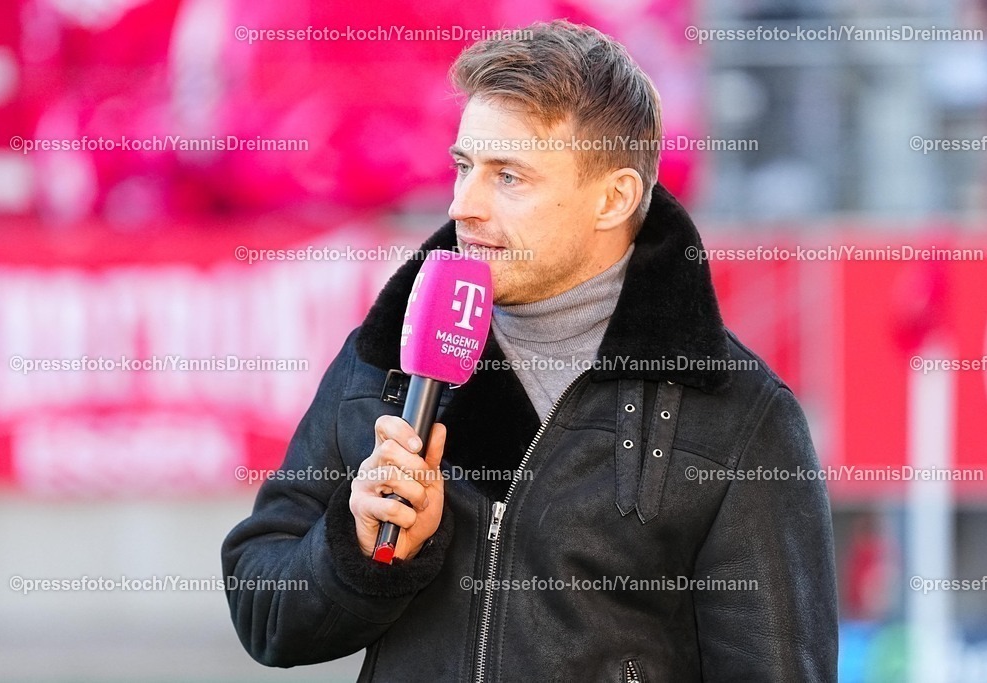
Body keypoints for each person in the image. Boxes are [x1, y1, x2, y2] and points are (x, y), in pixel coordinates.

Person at [222, 19, 838, 682]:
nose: (463, 205)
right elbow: (265, 612)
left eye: (508, 177)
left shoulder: (740, 415)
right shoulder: (384, 358)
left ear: (614, 197)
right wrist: (356, 546)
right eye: (464, 167)